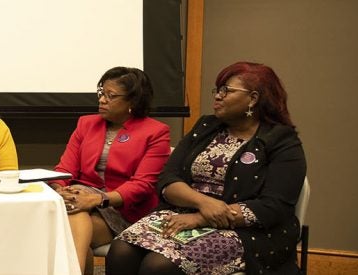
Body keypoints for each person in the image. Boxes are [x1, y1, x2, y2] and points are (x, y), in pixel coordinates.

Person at [107, 62, 306, 275]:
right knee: (121, 251)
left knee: (158, 266)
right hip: (181, 213)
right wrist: (203, 203)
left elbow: (274, 206)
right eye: (218, 90)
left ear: (253, 99)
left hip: (244, 231)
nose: (218, 96)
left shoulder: (282, 141)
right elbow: (168, 178)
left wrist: (201, 218)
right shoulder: (206, 127)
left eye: (226, 90)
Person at [49, 67, 171, 271]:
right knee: (74, 220)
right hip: (80, 200)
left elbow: (143, 185)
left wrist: (97, 199)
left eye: (110, 96)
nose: (102, 100)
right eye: (101, 93)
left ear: (133, 101)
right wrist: (59, 189)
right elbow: (64, 169)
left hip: (123, 209)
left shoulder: (156, 132)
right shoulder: (86, 124)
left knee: (67, 229)